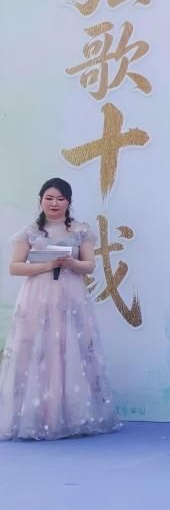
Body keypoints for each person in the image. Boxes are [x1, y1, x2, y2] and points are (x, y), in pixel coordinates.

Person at [0, 178, 120, 441]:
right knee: (36, 351)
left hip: (71, 297)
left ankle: (71, 416)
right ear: (40, 200)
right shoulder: (29, 232)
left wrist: (70, 263)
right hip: (35, 298)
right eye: (49, 198)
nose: (54, 203)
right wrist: (47, 265)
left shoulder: (81, 231)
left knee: (70, 350)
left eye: (60, 199)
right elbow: (15, 267)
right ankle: (36, 417)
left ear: (69, 202)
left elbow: (89, 266)